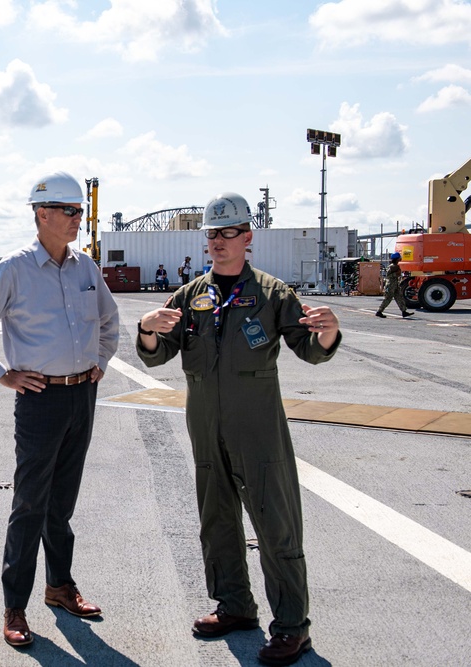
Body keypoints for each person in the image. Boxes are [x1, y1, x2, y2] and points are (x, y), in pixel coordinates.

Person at [135, 192, 341, 667]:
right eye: (212, 234)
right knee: (217, 522)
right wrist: (147, 329)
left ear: (248, 237)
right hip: (206, 430)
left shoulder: (272, 293)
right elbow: (158, 351)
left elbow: (309, 348)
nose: (219, 242)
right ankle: (234, 606)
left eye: (229, 233)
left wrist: (327, 333)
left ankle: (292, 627)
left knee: (276, 527)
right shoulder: (191, 296)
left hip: (258, 432)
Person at [0, 171, 120, 648]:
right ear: (41, 214)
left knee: (62, 504)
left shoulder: (86, 268)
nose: (78, 219)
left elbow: (110, 321)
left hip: (80, 396)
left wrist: (101, 362)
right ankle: (14, 607)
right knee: (29, 504)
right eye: (69, 211)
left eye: (79, 212)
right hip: (39, 399)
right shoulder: (13, 269)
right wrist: (3, 373)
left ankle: (59, 587)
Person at [375, 252, 413, 318]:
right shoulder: (392, 266)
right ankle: (379, 311)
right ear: (396, 259)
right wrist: (396, 274)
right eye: (399, 258)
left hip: (395, 284)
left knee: (399, 298)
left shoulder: (395, 266)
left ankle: (404, 311)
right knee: (388, 298)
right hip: (391, 285)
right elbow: (388, 275)